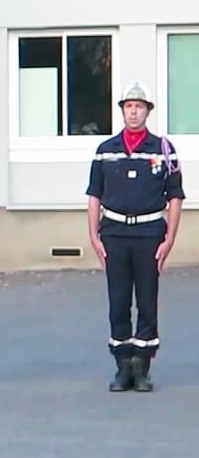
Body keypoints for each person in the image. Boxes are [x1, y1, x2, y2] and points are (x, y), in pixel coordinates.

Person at [86, 82, 183, 392]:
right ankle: (123, 365)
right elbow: (94, 196)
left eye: (139, 107)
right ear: (122, 110)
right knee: (118, 300)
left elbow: (176, 197)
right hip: (114, 232)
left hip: (149, 233)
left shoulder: (163, 150)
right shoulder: (106, 151)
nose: (134, 111)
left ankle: (142, 367)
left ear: (147, 111)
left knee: (146, 299)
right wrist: (93, 236)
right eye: (129, 106)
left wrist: (170, 238)